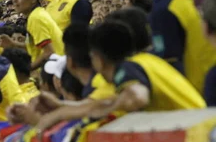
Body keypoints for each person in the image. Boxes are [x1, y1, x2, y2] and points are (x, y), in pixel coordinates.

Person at [35, 20, 206, 134]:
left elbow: (136, 97)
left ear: (98, 60)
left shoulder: (128, 69)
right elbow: (96, 103)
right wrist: (62, 107)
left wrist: (105, 109)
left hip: (199, 141)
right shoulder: (146, 61)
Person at [7, 0, 65, 70]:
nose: (14, 1)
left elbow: (49, 52)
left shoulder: (35, 18)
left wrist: (26, 70)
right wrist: (14, 44)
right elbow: (36, 47)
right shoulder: (38, 13)